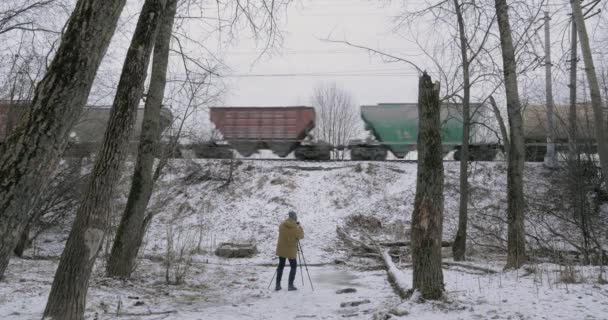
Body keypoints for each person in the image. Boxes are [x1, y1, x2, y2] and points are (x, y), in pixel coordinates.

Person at [275, 211, 304, 291]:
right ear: (294, 217)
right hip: (291, 249)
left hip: (282, 249)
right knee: (293, 266)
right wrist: (300, 227)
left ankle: (277, 285)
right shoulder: (295, 228)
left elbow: (281, 231)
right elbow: (301, 236)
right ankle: (290, 285)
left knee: (281, 265)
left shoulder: (282, 225)